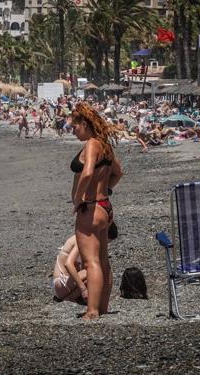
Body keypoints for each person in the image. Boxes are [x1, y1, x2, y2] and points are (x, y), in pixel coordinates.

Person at [70, 102, 123, 320]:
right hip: (105, 207)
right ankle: (102, 307)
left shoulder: (92, 144)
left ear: (84, 124)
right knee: (102, 261)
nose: (73, 130)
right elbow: (119, 173)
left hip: (91, 208)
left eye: (74, 126)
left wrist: (78, 198)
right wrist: (107, 189)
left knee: (90, 261)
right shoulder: (104, 145)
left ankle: (92, 311)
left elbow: (88, 172)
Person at [53, 223, 118, 303]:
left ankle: (71, 298)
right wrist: (83, 289)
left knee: (95, 272)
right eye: (106, 242)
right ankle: (69, 298)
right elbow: (68, 264)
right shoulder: (82, 239)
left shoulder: (89, 239)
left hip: (68, 284)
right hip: (61, 282)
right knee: (96, 272)